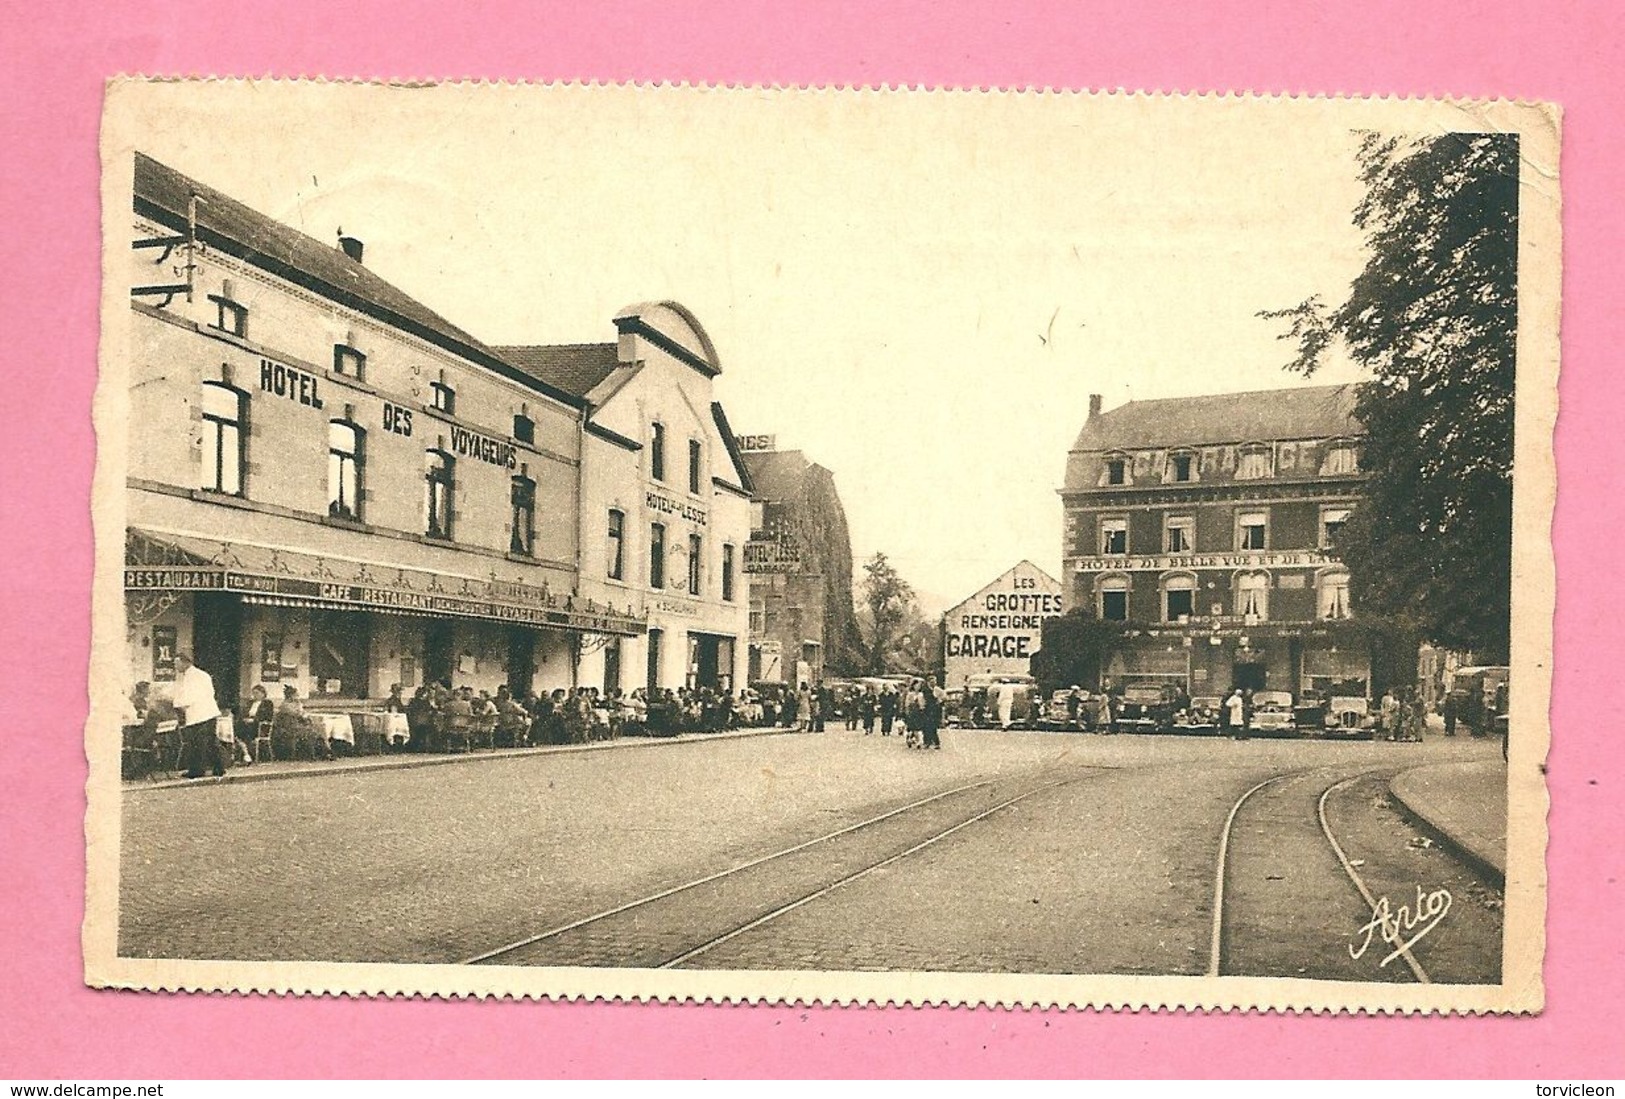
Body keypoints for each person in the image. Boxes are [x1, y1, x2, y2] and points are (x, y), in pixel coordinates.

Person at [171, 652, 224, 779]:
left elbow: (189, 697)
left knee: (198, 743)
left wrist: (176, 702)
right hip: (204, 713)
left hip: (201, 713)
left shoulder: (193, 677)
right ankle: (217, 768)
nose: (175, 667)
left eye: (177, 663)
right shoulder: (198, 675)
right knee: (207, 742)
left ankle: (198, 770)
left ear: (185, 662)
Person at [243, 684, 275, 763]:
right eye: (253, 693)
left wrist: (253, 720)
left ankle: (247, 755)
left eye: (257, 693)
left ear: (263, 694)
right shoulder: (250, 703)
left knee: (243, 731)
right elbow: (244, 713)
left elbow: (267, 716)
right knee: (240, 726)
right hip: (248, 724)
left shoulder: (267, 703)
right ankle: (245, 754)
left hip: (260, 726)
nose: (254, 695)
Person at [921, 676, 944, 750]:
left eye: (934, 682)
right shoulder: (925, 690)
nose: (933, 683)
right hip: (927, 710)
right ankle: (927, 742)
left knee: (933, 727)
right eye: (932, 682)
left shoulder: (938, 690)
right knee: (926, 727)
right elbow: (923, 699)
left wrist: (939, 701)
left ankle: (936, 743)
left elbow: (943, 696)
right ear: (928, 682)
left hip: (935, 711)